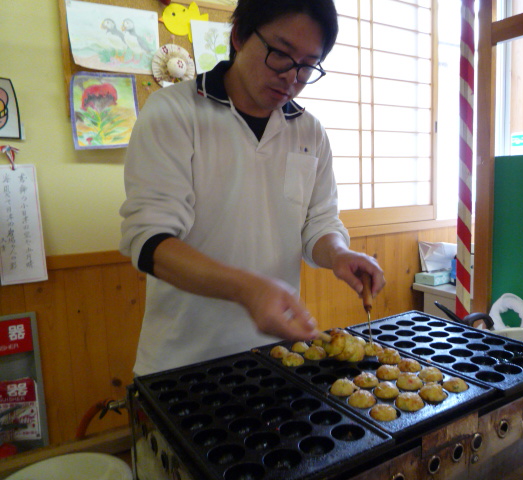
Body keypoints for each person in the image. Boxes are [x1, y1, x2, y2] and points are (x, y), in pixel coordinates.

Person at [119, 0, 386, 376]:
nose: (291, 77)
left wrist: (338, 253)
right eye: (280, 54)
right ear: (240, 36)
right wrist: (247, 289)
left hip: (280, 358)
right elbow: (150, 242)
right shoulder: (174, 112)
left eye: (308, 65)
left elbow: (318, 223)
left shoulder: (309, 131)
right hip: (182, 363)